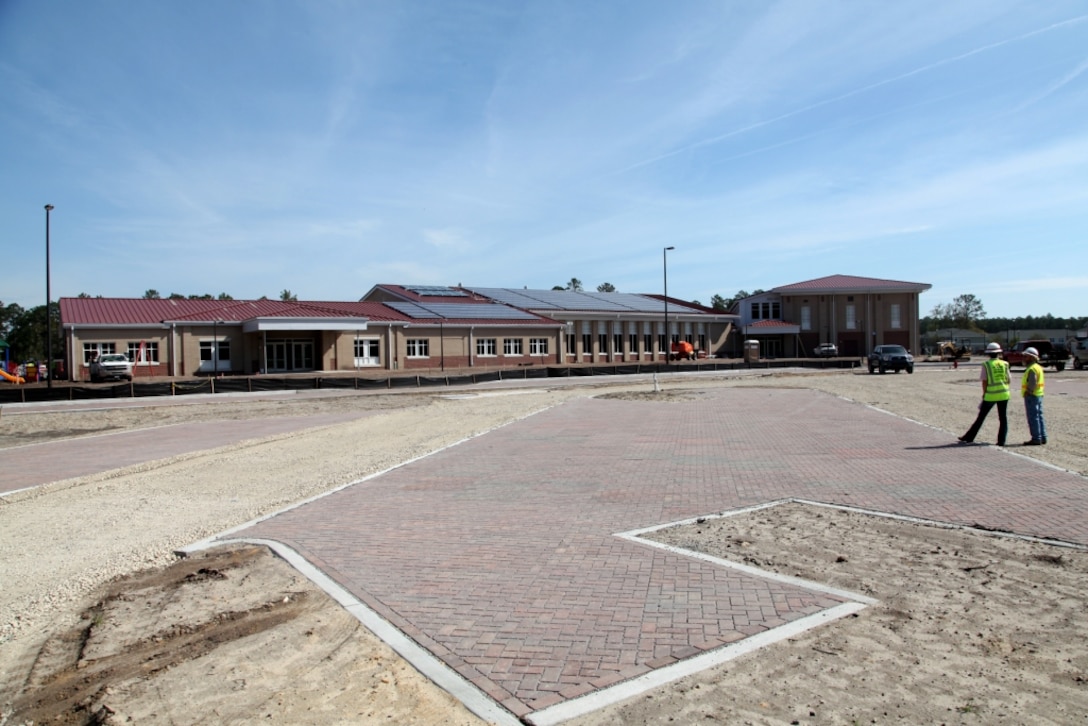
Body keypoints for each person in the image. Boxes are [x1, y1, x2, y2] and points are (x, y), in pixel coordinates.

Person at [959, 341, 1010, 446]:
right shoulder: (1005, 364)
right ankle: (1001, 441)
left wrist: (984, 393)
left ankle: (969, 437)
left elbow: (984, 381)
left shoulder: (986, 365)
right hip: (1004, 393)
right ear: (998, 353)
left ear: (988, 353)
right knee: (1003, 418)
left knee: (981, 417)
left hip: (991, 394)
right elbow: (1009, 379)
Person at [1021, 347, 1047, 445]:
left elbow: (1032, 382)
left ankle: (1036, 438)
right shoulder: (1038, 367)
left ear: (1031, 357)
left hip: (1032, 396)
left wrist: (1028, 391)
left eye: (1026, 356)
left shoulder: (1032, 369)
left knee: (1033, 417)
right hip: (1039, 394)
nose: (1024, 358)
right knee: (1039, 416)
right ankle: (1042, 437)